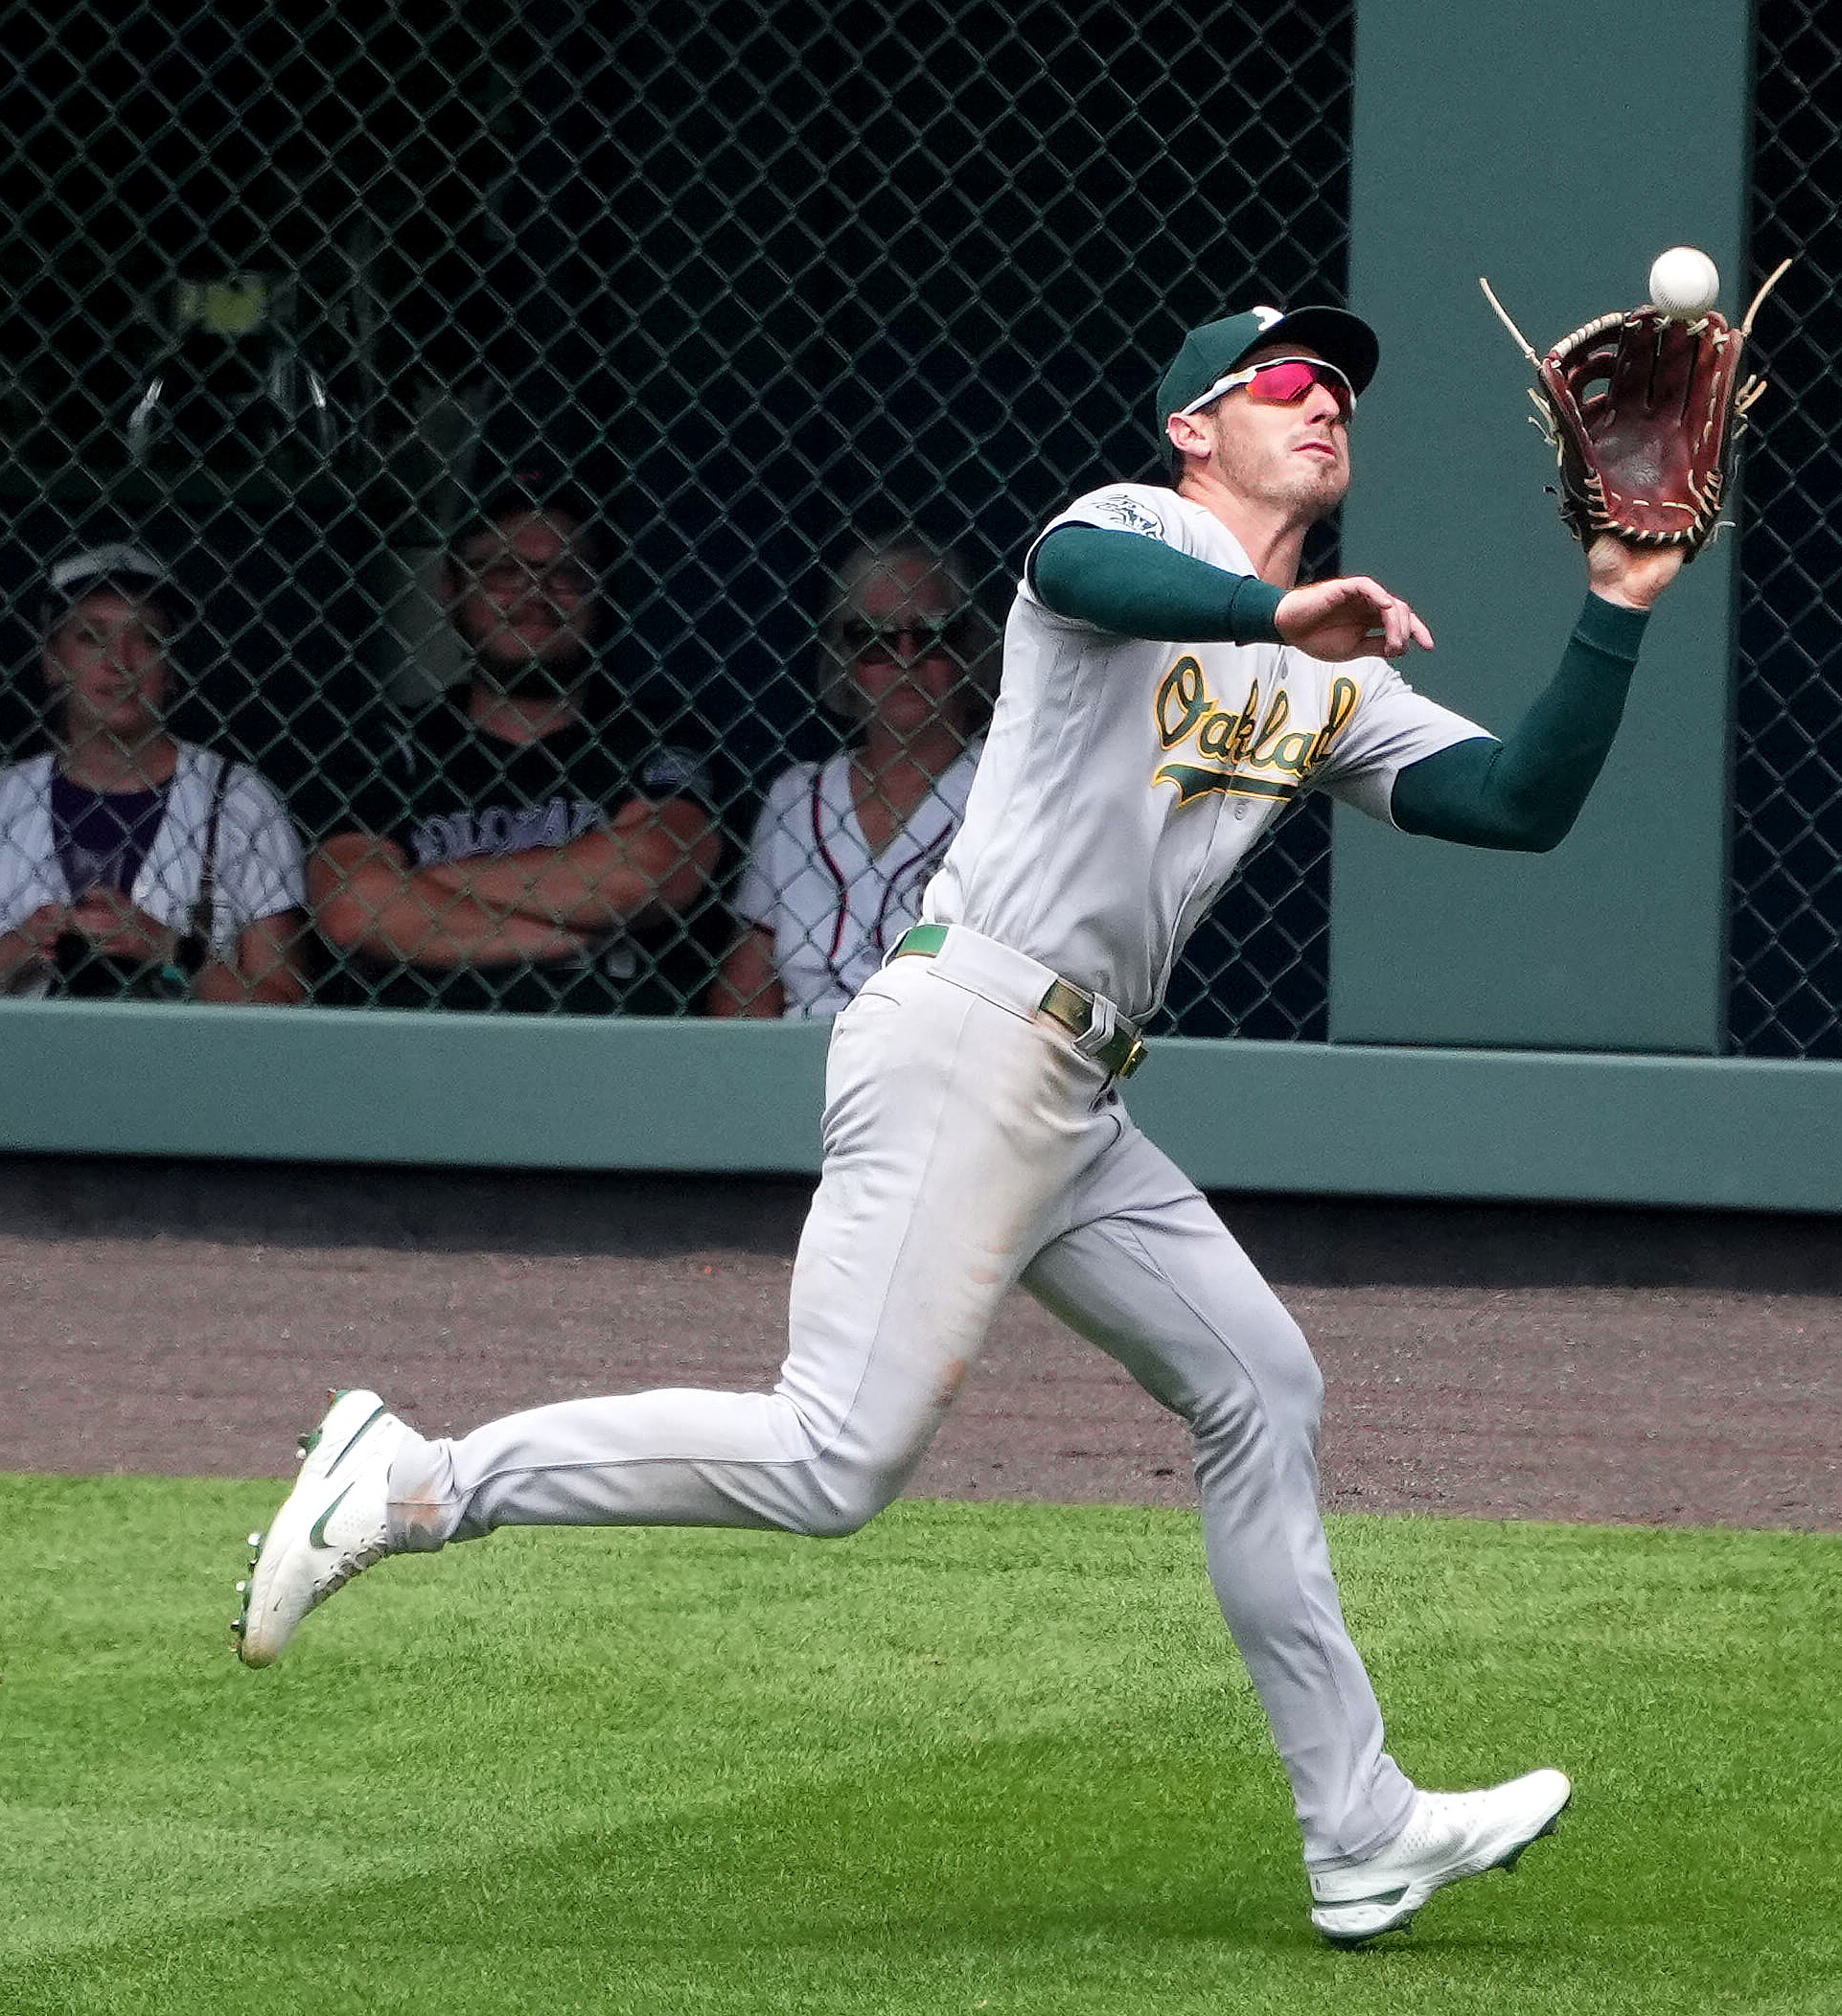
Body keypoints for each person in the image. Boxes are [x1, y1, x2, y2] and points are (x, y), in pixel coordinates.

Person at [237, 305, 1692, 1946]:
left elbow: (1518, 803)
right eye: (1284, 378)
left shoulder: (1317, 670)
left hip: (1071, 1094)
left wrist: (1615, 606)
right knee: (829, 1459)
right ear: (1194, 428)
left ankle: (1357, 1827)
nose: (1324, 399)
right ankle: (419, 1479)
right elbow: (1077, 575)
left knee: (1259, 1382)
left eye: (1342, 384)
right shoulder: (1137, 532)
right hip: (967, 1034)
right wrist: (1279, 600)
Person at [308, 476, 721, 1013]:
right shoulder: (391, 745)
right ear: (452, 588)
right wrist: (571, 928)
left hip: (615, 1060)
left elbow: (652, 872)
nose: (536, 592)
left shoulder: (652, 737)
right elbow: (352, 908)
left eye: (566, 573)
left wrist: (417, 888)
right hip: (422, 1060)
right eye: (504, 570)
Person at [0, 542, 309, 1002]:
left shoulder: (238, 797)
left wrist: (170, 949)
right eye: (91, 637)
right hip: (22, 1066)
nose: (120, 661)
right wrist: (15, 950)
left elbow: (285, 1010)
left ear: (172, 670)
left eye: (148, 639)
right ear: (52, 663)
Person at [709, 533, 991, 1018]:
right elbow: (747, 987)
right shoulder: (797, 797)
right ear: (843, 660)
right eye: (874, 640)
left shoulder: (1005, 791)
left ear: (968, 650)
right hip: (798, 1062)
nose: (906, 658)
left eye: (930, 635)